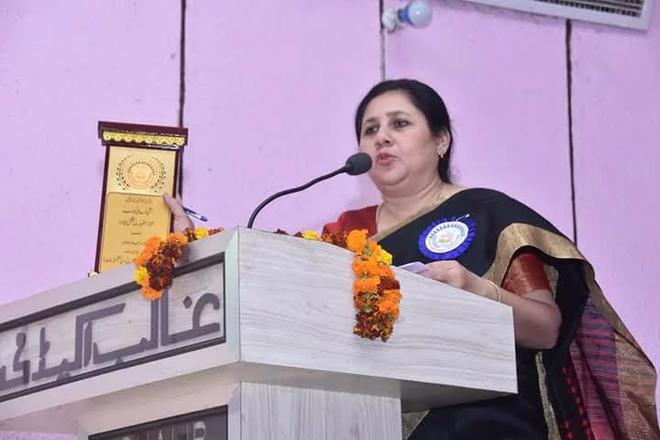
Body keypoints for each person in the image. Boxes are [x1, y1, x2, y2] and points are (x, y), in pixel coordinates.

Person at [166, 79, 659, 439]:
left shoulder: (488, 213)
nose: (382, 137)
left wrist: (476, 290)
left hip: (485, 421)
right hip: (372, 424)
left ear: (441, 140)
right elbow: (275, 284)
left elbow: (546, 328)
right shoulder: (345, 234)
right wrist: (199, 245)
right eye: (370, 129)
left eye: (399, 124)